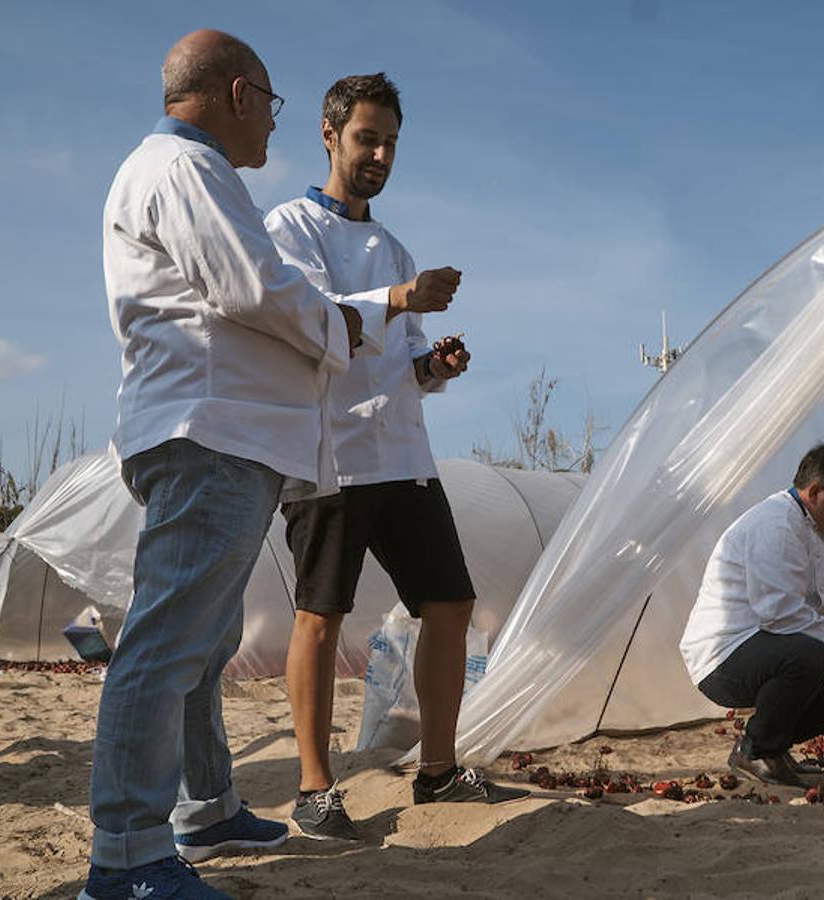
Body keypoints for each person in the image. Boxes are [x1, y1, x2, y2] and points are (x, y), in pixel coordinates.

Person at [85, 34, 456, 900]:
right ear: (240, 95)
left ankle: (206, 807)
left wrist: (402, 349)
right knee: (166, 644)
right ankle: (128, 855)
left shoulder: (190, 173)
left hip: (234, 436)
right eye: (272, 106)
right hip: (209, 431)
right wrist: (343, 322)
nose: (271, 127)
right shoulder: (187, 169)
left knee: (204, 641)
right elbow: (251, 286)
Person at [263, 72, 527, 842]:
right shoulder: (290, 229)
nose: (379, 155)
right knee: (320, 616)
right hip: (328, 454)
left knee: (450, 603)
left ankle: (437, 769)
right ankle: (316, 787)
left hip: (403, 453)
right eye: (366, 139)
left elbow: (403, 362)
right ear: (328, 135)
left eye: (390, 143)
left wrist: (435, 365)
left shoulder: (392, 246)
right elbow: (311, 324)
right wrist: (402, 298)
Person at [678, 443, 824, 788]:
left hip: (773, 647)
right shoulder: (776, 526)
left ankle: (773, 746)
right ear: (815, 492)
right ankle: (757, 750)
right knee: (809, 655)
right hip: (723, 659)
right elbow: (781, 616)